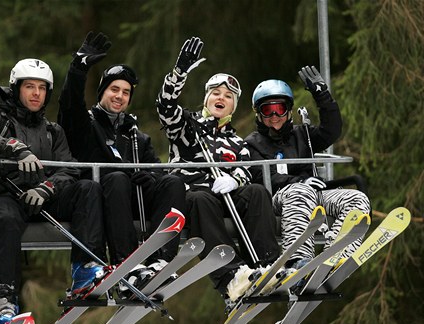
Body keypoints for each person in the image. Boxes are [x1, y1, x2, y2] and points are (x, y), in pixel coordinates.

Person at [0, 58, 108, 324]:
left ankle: (84, 270)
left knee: (88, 189)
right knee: (4, 219)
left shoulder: (52, 131)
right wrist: (11, 147)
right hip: (7, 195)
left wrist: (47, 189)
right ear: (16, 88)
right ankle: (4, 301)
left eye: (42, 88)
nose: (36, 94)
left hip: (42, 196)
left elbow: (68, 168)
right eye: (29, 86)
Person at [57, 32, 186, 295]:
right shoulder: (88, 125)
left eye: (126, 92)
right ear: (103, 91)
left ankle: (160, 258)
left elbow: (158, 174)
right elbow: (69, 107)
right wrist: (78, 68)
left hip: (133, 200)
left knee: (173, 182)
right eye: (114, 89)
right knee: (117, 178)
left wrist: (150, 179)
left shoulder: (136, 136)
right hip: (101, 198)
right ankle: (127, 264)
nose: (119, 96)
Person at [157, 36, 281, 307]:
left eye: (228, 96)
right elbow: (166, 109)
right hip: (196, 199)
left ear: (233, 106)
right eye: (215, 93)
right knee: (200, 199)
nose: (221, 98)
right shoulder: (187, 127)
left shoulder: (238, 142)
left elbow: (248, 169)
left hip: (226, 198)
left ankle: (269, 264)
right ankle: (230, 276)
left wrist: (234, 179)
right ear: (207, 98)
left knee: (258, 192)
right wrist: (178, 74)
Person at [245, 66, 371, 269]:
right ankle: (298, 260)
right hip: (279, 199)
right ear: (258, 114)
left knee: (357, 198)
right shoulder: (252, 144)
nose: (275, 115)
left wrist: (322, 96)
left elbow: (331, 131)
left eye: (280, 108)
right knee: (300, 191)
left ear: (289, 110)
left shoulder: (302, 135)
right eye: (268, 110)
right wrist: (298, 181)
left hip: (314, 193)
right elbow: (260, 174)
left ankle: (337, 254)